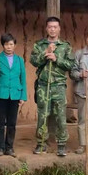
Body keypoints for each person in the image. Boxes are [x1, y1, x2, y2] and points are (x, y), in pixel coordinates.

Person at [30, 16, 74, 157]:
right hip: (43, 85)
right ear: (46, 28)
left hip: (59, 85)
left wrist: (57, 59)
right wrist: (46, 53)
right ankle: (41, 143)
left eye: (55, 27)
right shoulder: (39, 45)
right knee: (43, 115)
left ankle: (61, 144)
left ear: (59, 29)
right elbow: (34, 62)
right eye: (50, 27)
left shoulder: (65, 46)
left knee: (60, 115)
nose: (52, 29)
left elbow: (71, 65)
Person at [0, 33, 27, 157]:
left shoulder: (19, 60)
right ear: (3, 45)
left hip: (15, 95)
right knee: (0, 123)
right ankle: (0, 147)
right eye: (6, 44)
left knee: (12, 123)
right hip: (0, 94)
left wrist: (23, 96)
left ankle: (9, 147)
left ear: (15, 45)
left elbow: (23, 78)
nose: (9, 47)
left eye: (11, 44)